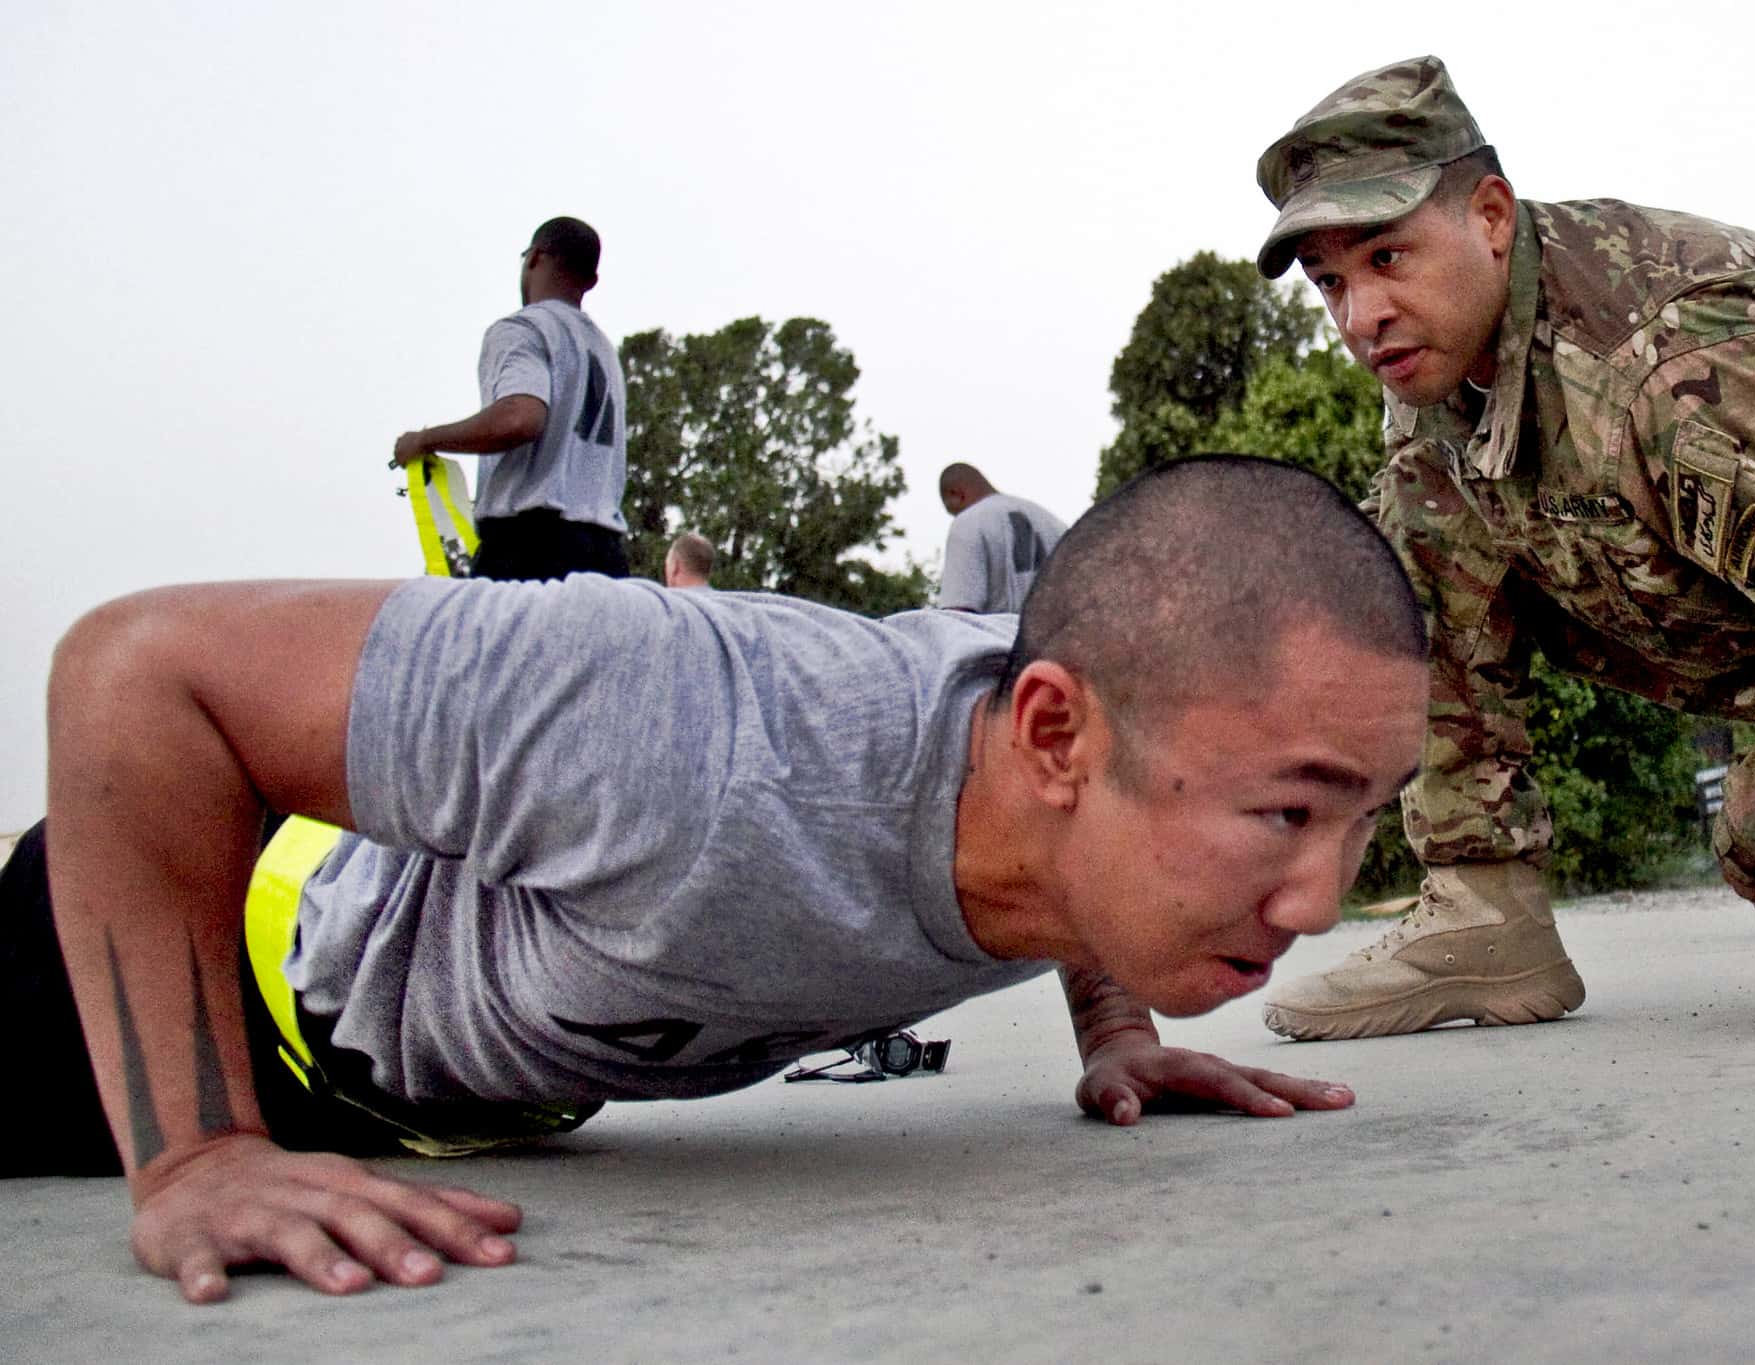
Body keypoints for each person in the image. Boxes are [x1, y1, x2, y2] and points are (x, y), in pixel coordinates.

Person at [27, 456, 1429, 1303]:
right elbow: (138, 674)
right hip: (183, 978)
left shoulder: (1072, 786)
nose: (1320, 899)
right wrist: (199, 1154)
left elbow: (1092, 831)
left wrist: (1120, 1028)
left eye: (1363, 816)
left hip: (455, 1100)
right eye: (1284, 814)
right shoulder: (688, 725)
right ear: (1054, 734)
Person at [1252, 56, 1755, 1043]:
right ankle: (1482, 916)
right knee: (1399, 547)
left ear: (1490, 218)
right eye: (1330, 283)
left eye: (1385, 259)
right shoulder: (1447, 374)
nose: (1357, 317)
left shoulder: (1672, 368)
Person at [392, 217, 630, 582]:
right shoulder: (603, 351)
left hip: (531, 549)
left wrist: (423, 440)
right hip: (607, 555)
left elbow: (520, 418)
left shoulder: (524, 328)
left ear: (534, 258)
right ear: (591, 281)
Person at [937, 463, 1069, 613]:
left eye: (953, 511)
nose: (955, 516)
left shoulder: (968, 522)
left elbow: (958, 613)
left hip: (1001, 634)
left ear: (957, 494)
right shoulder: (1054, 523)